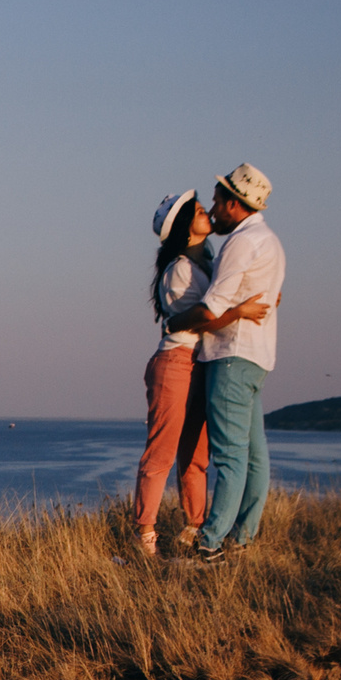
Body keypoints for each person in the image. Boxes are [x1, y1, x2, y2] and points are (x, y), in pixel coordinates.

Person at [164, 164, 284, 562]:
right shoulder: (271, 241)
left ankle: (210, 542)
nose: (213, 210)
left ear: (234, 204)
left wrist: (174, 322)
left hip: (231, 356)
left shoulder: (241, 243)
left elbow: (211, 308)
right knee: (254, 455)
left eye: (216, 202)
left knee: (230, 456)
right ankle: (242, 536)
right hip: (258, 357)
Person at [134, 191, 215, 553]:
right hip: (177, 362)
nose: (206, 213)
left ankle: (194, 527)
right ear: (184, 226)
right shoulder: (181, 268)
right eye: (198, 211)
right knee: (163, 452)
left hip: (199, 362)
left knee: (196, 454)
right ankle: (145, 533)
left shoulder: (203, 263)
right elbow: (200, 318)